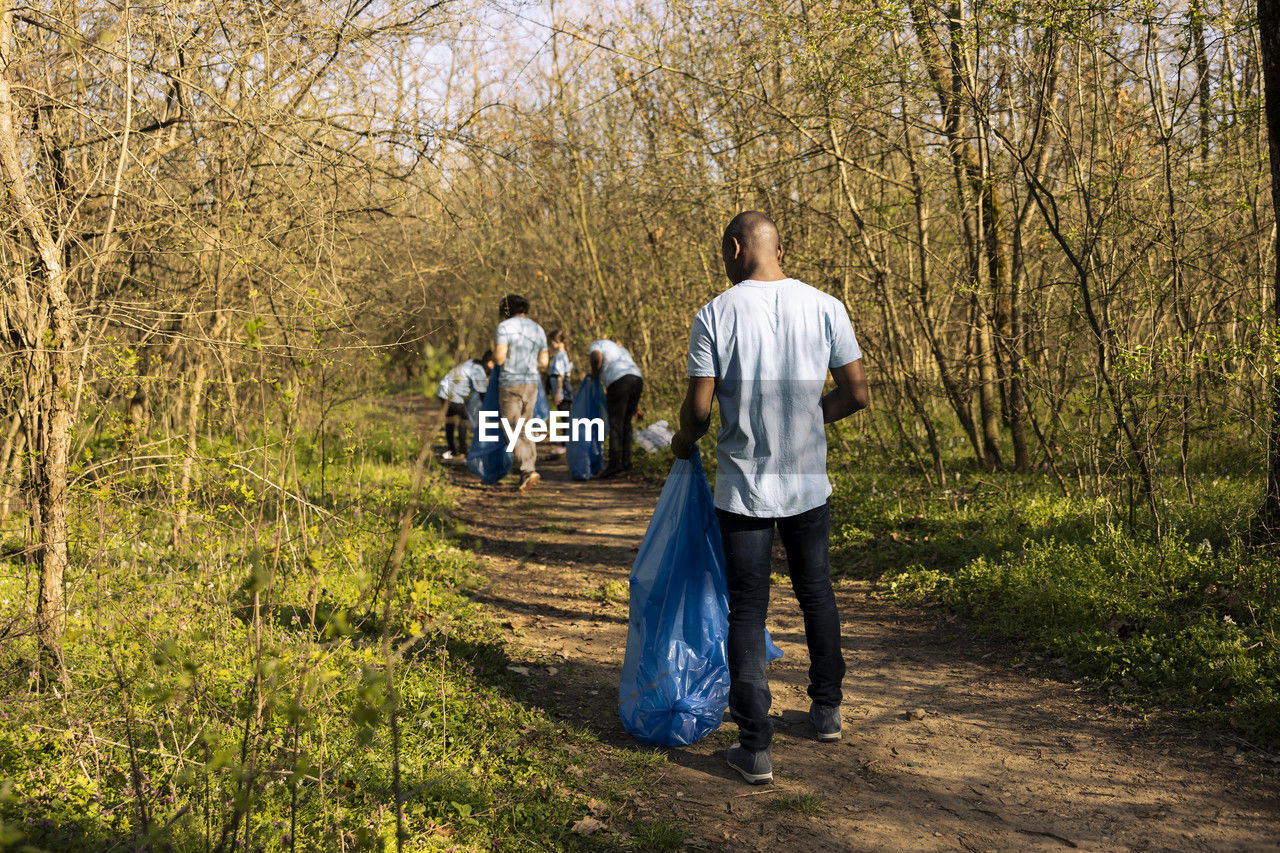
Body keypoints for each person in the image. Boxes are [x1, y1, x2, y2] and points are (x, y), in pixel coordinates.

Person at [670, 211, 869, 785]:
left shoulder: (715, 315)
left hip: (744, 486)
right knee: (816, 592)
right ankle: (827, 711)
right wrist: (810, 420)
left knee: (749, 609)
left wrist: (684, 441)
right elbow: (857, 392)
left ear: (736, 248)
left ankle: (755, 748)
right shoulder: (827, 306)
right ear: (781, 249)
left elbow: (701, 411)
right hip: (807, 481)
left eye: (722, 252)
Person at [494, 294, 549, 491]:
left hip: (511, 382)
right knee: (525, 426)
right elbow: (544, 362)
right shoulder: (538, 329)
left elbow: (499, 358)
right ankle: (529, 470)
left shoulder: (505, 327)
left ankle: (527, 468)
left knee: (510, 427)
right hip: (532, 383)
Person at [588, 338, 643, 479]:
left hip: (618, 381)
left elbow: (596, 357)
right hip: (637, 379)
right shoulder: (621, 350)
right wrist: (636, 407)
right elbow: (630, 373)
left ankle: (614, 465)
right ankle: (626, 463)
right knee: (626, 423)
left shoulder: (597, 344)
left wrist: (595, 374)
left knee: (616, 424)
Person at [435, 351, 493, 459]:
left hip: (442, 390)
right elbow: (483, 395)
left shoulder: (471, 363)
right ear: (490, 363)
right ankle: (463, 450)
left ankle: (453, 450)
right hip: (451, 394)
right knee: (464, 420)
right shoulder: (478, 371)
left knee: (450, 421)